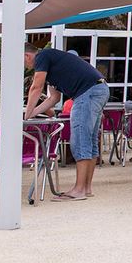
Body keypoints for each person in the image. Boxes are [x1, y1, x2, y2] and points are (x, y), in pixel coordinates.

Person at [25, 43, 109, 201]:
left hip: (87, 92)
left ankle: (79, 190)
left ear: (27, 56)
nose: (26, 66)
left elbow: (36, 87)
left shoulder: (42, 56)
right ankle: (86, 188)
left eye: (24, 62)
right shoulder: (52, 64)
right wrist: (31, 114)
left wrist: (27, 112)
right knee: (89, 140)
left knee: (80, 139)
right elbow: (53, 98)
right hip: (98, 89)